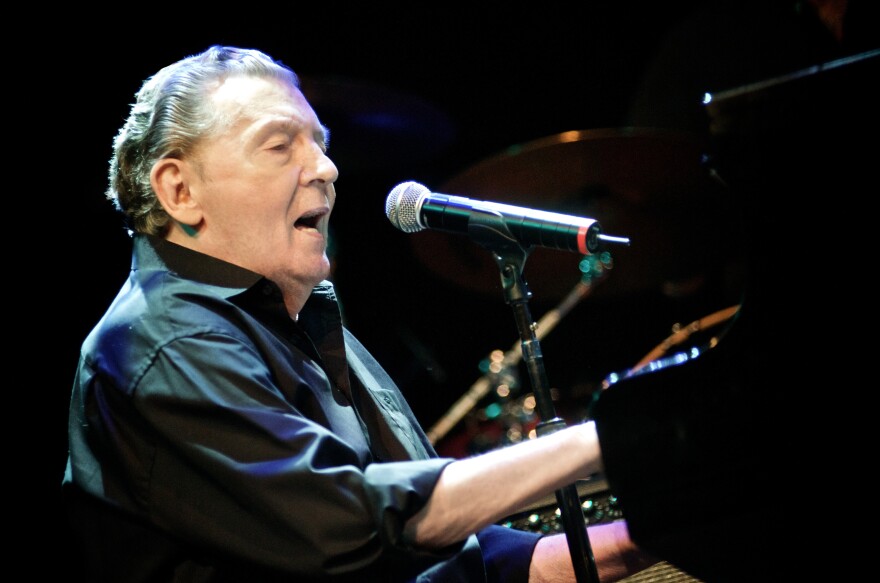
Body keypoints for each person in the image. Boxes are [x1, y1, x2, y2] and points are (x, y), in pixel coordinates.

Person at [62, 45, 660, 582]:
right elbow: (350, 528)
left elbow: (457, 562)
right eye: (279, 146)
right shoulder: (160, 342)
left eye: (320, 144)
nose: (326, 168)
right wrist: (609, 440)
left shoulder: (309, 323)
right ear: (179, 191)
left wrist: (653, 543)